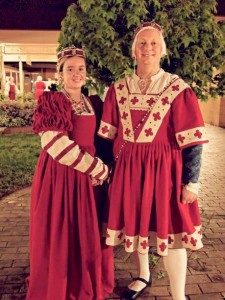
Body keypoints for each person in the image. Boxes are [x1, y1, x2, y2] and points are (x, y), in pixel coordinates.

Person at [98, 21, 208, 300]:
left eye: (153, 43)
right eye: (142, 43)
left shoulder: (177, 88)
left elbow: (192, 141)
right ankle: (143, 275)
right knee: (137, 224)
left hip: (166, 173)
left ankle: (178, 295)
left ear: (163, 50)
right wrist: (104, 170)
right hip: (128, 171)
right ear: (134, 50)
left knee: (172, 232)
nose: (148, 48)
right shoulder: (118, 88)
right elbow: (106, 138)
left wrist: (191, 182)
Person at [26, 45, 114, 300]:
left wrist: (101, 169)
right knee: (62, 230)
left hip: (86, 179)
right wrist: (97, 168)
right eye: (71, 69)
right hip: (60, 176)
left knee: (86, 230)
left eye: (81, 69)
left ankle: (81, 281)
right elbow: (56, 145)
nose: (77, 74)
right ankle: (62, 284)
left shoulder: (92, 102)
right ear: (59, 73)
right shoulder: (53, 101)